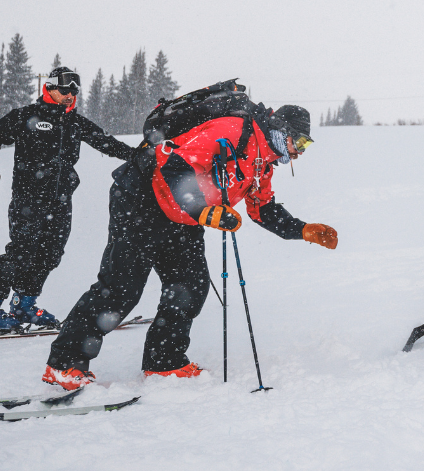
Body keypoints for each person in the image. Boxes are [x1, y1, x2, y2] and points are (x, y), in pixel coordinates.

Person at [42, 103, 338, 389]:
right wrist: (202, 209)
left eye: (306, 146)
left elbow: (262, 209)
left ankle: (164, 362)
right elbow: (174, 163)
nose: (299, 152)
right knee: (121, 288)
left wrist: (302, 230)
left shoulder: (262, 163)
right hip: (142, 199)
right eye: (299, 141)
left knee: (190, 286)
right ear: (280, 129)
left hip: (183, 215)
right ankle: (63, 363)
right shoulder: (233, 130)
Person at [0, 67, 135, 331]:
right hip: (28, 198)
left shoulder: (75, 122)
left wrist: (144, 155)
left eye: (74, 91)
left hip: (60, 200)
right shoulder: (26, 116)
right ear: (48, 88)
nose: (70, 95)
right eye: (64, 90)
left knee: (50, 253)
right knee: (22, 252)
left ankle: (24, 303)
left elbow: (109, 143)